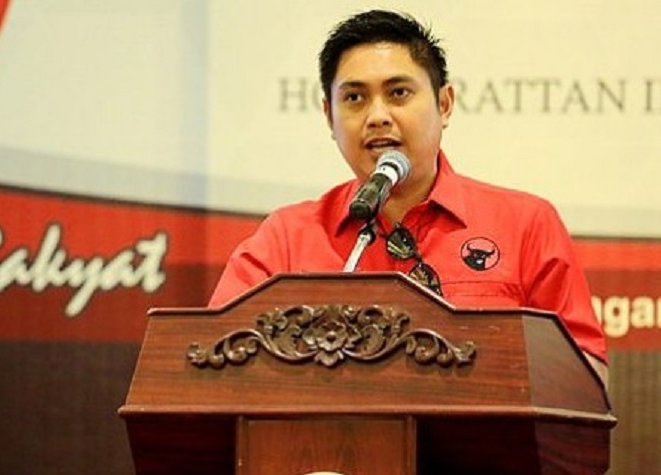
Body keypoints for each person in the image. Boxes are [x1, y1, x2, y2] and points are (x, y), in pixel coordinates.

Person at [209, 9, 608, 384]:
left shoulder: (525, 225)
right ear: (329, 117)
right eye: (354, 98)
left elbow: (586, 377)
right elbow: (217, 360)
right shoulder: (285, 239)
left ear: (444, 104)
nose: (377, 116)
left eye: (398, 93)